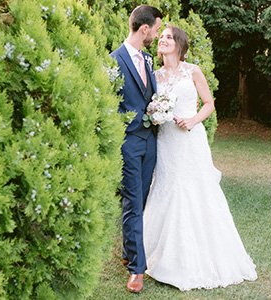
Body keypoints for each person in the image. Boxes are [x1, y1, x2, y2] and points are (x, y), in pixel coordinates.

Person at [142, 26, 258, 291]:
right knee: (166, 188)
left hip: (189, 140)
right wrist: (155, 114)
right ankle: (154, 255)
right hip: (166, 141)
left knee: (194, 191)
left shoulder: (192, 71)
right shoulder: (154, 75)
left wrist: (192, 120)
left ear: (180, 44)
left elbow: (209, 104)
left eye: (168, 37)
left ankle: (195, 258)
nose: (163, 40)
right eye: (161, 37)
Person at [108, 5, 163, 293]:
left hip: (150, 141)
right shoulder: (114, 60)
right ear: (144, 29)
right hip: (129, 142)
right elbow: (109, 104)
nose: (156, 34)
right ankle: (136, 270)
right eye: (155, 29)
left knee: (140, 202)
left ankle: (130, 251)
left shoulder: (149, 59)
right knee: (132, 200)